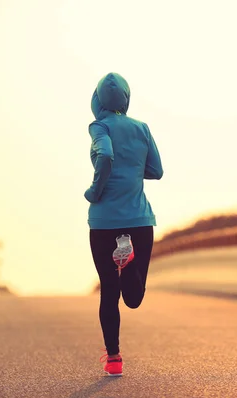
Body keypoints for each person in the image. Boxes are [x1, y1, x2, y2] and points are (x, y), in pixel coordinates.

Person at [84, 72, 163, 376]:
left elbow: (104, 156)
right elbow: (155, 170)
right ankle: (128, 262)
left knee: (109, 292)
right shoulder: (141, 128)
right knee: (133, 298)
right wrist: (131, 170)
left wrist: (96, 189)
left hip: (104, 222)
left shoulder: (99, 126)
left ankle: (114, 358)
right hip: (139, 221)